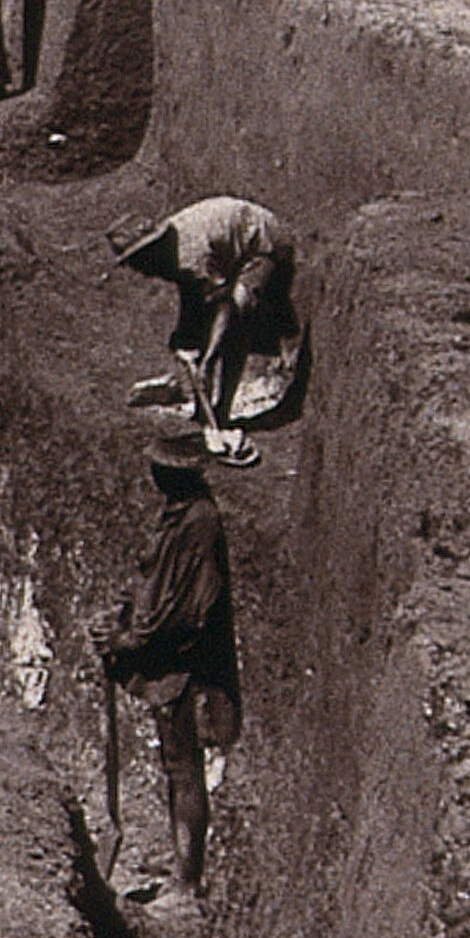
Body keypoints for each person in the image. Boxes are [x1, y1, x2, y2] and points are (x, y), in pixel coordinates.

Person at [93, 434, 241, 896]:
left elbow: (187, 608)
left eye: (160, 469)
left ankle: (187, 879)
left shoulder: (201, 524)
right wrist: (119, 615)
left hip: (189, 666)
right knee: (174, 763)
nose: (153, 476)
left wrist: (132, 641)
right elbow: (149, 577)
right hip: (168, 655)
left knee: (184, 768)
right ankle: (181, 862)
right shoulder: (175, 514)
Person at [110, 195, 297, 463]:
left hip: (264, 244)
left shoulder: (190, 256)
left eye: (136, 261)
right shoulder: (169, 254)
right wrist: (185, 335)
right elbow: (192, 292)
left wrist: (208, 358)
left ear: (150, 250)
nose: (137, 270)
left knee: (238, 322)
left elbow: (225, 308)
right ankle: (204, 408)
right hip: (230, 246)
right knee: (200, 338)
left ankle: (222, 411)